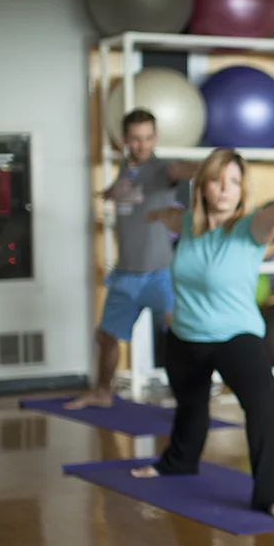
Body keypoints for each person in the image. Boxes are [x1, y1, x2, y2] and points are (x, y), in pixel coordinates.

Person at [133, 149, 274, 521]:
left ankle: (273, 495)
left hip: (235, 338)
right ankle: (177, 462)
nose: (225, 190)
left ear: (243, 189)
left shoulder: (251, 228)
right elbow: (164, 215)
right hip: (185, 336)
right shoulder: (187, 223)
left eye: (234, 182)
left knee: (263, 411)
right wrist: (147, 213)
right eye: (217, 180)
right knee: (190, 408)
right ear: (204, 186)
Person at [68, 109, 198, 409]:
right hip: (126, 274)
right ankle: (102, 392)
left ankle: (189, 398)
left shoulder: (162, 170)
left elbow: (179, 170)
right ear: (125, 139)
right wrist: (110, 192)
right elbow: (129, 190)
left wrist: (209, 167)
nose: (142, 145)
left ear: (155, 138)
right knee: (107, 337)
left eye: (148, 138)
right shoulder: (127, 169)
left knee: (182, 334)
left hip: (160, 274)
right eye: (136, 139)